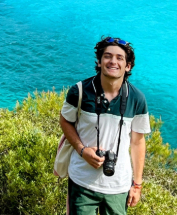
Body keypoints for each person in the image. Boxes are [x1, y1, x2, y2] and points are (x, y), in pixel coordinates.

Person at [60, 37, 151, 215]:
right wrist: (82, 150)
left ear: (128, 66)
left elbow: (138, 143)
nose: (113, 61)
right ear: (99, 62)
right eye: (107, 56)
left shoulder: (137, 99)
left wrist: (137, 185)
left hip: (118, 185)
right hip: (82, 181)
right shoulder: (79, 91)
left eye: (120, 58)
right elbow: (65, 121)